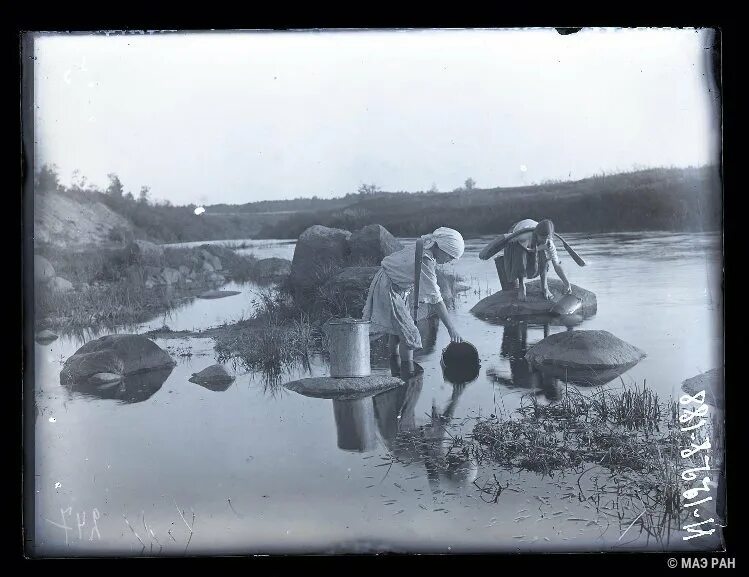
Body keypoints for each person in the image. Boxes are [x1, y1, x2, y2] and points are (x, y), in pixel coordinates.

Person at [362, 227, 465, 376]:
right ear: (441, 248)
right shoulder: (425, 260)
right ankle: (407, 372)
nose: (449, 261)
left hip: (392, 284)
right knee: (410, 334)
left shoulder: (423, 244)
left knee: (397, 330)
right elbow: (435, 298)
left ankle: (395, 365)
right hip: (389, 287)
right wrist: (451, 329)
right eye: (450, 257)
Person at [497, 218, 572, 301]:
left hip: (533, 243)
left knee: (545, 257)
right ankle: (522, 285)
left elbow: (556, 264)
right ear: (536, 234)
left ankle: (544, 287)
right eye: (542, 238)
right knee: (521, 255)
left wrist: (567, 283)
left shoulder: (549, 243)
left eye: (547, 238)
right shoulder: (523, 237)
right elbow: (509, 244)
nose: (544, 240)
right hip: (519, 236)